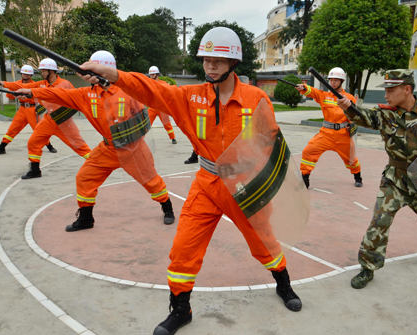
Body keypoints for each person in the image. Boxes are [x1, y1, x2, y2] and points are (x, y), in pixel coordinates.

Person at [79, 26, 302, 335]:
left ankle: (284, 284)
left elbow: (270, 146)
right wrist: (113, 75)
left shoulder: (256, 98)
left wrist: (258, 183)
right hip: (206, 185)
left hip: (243, 188)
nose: (210, 65)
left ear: (233, 63)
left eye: (217, 61)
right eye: (206, 59)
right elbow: (150, 89)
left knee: (264, 243)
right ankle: (181, 309)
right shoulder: (189, 96)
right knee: (183, 250)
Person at [337, 69, 417, 290]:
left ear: (407, 89)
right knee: (379, 222)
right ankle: (368, 267)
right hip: (395, 180)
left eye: (391, 90)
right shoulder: (385, 113)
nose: (386, 95)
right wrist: (348, 107)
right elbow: (364, 117)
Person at [16, 51, 175, 229]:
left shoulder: (128, 90)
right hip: (107, 148)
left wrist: (112, 84)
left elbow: (141, 88)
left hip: (133, 149)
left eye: (97, 71)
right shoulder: (86, 95)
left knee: (151, 182)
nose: (92, 76)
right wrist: (31, 91)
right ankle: (86, 218)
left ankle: (167, 207)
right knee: (85, 177)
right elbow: (58, 95)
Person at [0, 58, 91, 179]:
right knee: (33, 142)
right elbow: (24, 85)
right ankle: (35, 170)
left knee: (79, 146)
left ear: (52, 71)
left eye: (44, 71)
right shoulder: (43, 83)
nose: (42, 73)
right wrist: (3, 83)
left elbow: (52, 93)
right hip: (48, 120)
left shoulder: (64, 84)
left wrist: (32, 92)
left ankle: (98, 166)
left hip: (63, 121)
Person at [295, 67, 362, 189]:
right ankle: (305, 177)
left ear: (342, 81)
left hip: (343, 135)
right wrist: (304, 88)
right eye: (331, 80)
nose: (333, 83)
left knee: (351, 159)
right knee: (308, 151)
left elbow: (355, 115)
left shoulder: (349, 98)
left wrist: (352, 125)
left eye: (336, 80)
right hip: (325, 134)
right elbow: (313, 91)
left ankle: (357, 176)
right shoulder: (324, 95)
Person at [0, 65, 57, 155]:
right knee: (12, 129)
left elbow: (37, 94)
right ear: (21, 74)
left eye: (27, 74)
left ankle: (49, 146)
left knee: (38, 130)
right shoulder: (17, 84)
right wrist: (15, 94)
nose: (25, 75)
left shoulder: (35, 84)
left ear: (31, 75)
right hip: (22, 109)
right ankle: (1, 148)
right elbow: (9, 96)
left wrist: (26, 95)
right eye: (24, 74)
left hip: (32, 110)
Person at [147, 66, 177, 144]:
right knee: (146, 123)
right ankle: (139, 140)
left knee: (167, 124)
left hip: (161, 108)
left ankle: (173, 138)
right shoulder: (148, 83)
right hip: (152, 107)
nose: (151, 76)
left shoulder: (163, 84)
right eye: (150, 75)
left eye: (153, 74)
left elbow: (170, 93)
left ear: (157, 74)